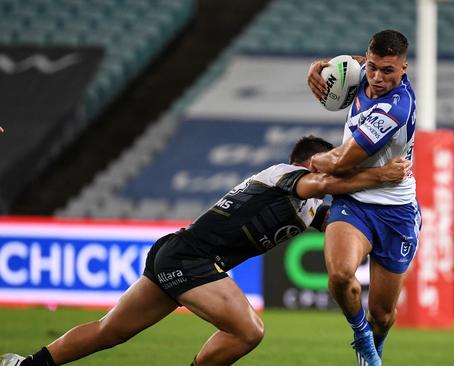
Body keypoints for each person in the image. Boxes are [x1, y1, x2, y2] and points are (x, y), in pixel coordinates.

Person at [1, 135, 411, 366]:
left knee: (111, 331)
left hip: (178, 254)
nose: (335, 167)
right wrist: (378, 175)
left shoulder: (306, 210)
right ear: (312, 162)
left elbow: (347, 226)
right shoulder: (286, 175)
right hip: (192, 259)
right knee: (249, 330)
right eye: (332, 162)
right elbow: (323, 185)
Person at [306, 30, 419, 366]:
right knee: (340, 275)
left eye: (388, 71)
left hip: (395, 211)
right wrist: (323, 68)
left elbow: (340, 164)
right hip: (354, 202)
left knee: (383, 315)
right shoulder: (365, 72)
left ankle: (374, 346)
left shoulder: (395, 108)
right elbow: (352, 64)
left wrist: (316, 161)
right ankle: (362, 340)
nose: (377, 77)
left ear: (404, 70)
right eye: (372, 68)